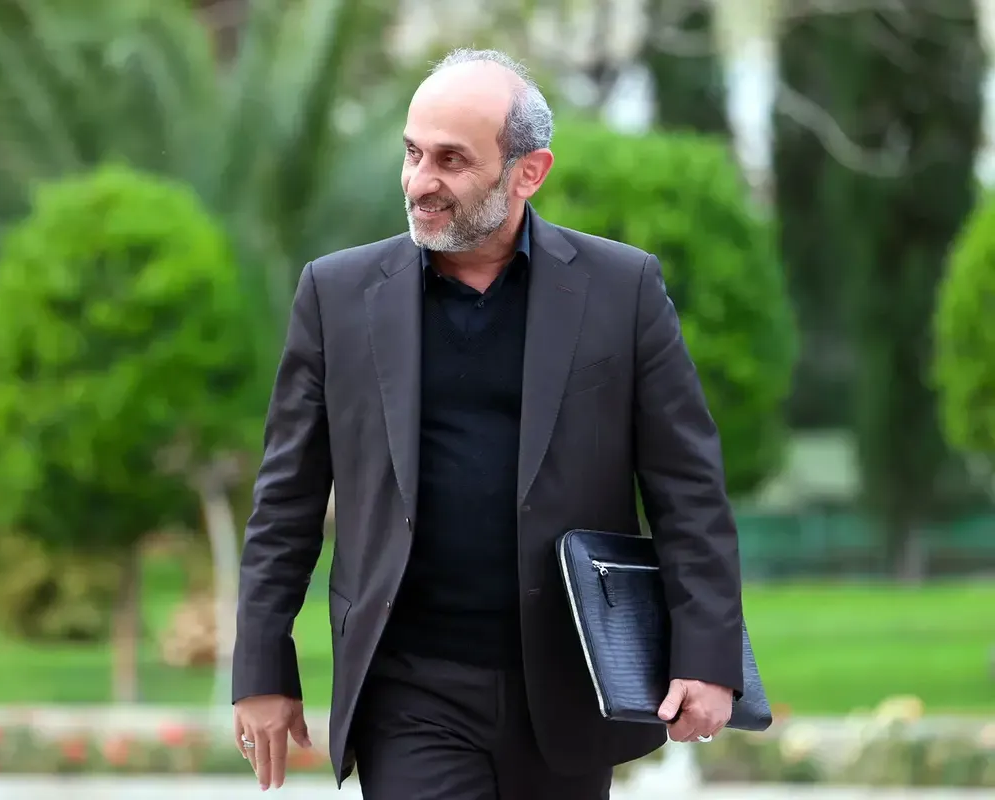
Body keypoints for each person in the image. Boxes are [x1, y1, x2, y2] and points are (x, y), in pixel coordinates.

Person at [231, 48, 744, 800]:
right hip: (409, 689)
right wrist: (262, 668)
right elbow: (287, 499)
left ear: (528, 172)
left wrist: (707, 656)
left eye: (451, 160)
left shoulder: (622, 290)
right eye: (412, 153)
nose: (420, 181)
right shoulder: (336, 296)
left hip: (569, 685)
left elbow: (688, 488)